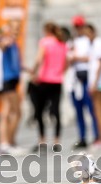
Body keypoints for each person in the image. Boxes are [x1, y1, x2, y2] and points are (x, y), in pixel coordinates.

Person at [29, 22, 68, 152]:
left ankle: (42, 140)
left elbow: (39, 59)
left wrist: (33, 72)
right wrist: (60, 72)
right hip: (57, 81)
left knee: (40, 111)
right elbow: (66, 62)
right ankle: (57, 141)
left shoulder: (45, 42)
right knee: (56, 111)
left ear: (46, 30)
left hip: (44, 80)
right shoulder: (62, 43)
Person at [69, 16, 99, 150]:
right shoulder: (72, 42)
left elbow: (91, 58)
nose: (78, 29)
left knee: (91, 109)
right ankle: (82, 137)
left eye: (79, 26)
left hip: (87, 77)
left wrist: (76, 57)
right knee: (78, 110)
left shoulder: (88, 41)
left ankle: (96, 135)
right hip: (76, 78)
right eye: (76, 26)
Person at [0, 23, 22, 153]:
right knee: (16, 112)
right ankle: (9, 141)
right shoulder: (7, 41)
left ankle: (6, 142)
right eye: (14, 29)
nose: (16, 32)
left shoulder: (15, 44)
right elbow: (1, 46)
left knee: (7, 112)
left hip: (13, 79)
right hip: (8, 80)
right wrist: (5, 40)